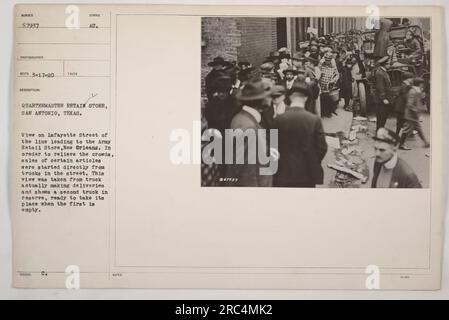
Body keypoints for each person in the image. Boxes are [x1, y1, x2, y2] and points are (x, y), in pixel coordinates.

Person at [274, 82, 327, 187]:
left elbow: (272, 147)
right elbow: (322, 147)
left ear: (290, 97)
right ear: (306, 98)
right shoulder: (314, 120)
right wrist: (311, 159)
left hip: (283, 173)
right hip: (307, 173)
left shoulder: (278, 119)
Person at [225, 77, 274, 187]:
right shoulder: (249, 128)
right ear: (262, 100)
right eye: (269, 96)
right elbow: (247, 174)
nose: (271, 99)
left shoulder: (241, 118)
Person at [399, 77, 430, 150]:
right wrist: (416, 112)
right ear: (419, 84)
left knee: (418, 129)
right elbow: (410, 104)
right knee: (407, 130)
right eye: (422, 83)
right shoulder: (413, 91)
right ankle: (401, 144)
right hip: (411, 115)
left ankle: (426, 142)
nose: (422, 85)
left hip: (413, 115)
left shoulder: (416, 91)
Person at [373, 56, 392, 130]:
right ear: (385, 64)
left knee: (383, 115)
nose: (389, 65)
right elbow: (380, 87)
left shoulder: (382, 71)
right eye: (388, 64)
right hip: (381, 99)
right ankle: (379, 131)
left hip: (383, 98)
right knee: (381, 115)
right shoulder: (380, 73)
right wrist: (384, 98)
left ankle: (380, 130)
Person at [319, 51, 339, 117]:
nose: (327, 61)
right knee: (321, 99)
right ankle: (322, 112)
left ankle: (328, 112)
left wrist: (333, 80)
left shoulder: (333, 67)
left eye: (329, 60)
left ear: (331, 60)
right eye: (326, 59)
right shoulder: (321, 65)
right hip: (321, 83)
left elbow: (337, 75)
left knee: (328, 99)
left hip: (328, 85)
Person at [394, 72, 414, 136]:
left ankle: (406, 133)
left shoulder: (404, 85)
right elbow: (405, 96)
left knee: (403, 121)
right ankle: (398, 135)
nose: (412, 80)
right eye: (411, 78)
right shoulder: (405, 86)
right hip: (402, 107)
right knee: (401, 121)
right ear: (407, 79)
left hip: (401, 106)